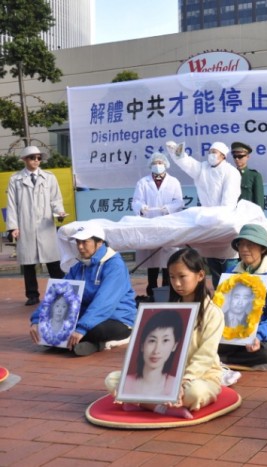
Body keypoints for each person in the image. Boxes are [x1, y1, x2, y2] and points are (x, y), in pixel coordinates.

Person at [105, 248, 224, 419]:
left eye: (182, 277)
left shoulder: (213, 313)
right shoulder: (166, 310)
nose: (176, 283)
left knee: (195, 393)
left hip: (200, 376)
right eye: (172, 277)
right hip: (160, 377)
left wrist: (184, 381)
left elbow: (205, 356)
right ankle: (162, 406)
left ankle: (145, 403)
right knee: (112, 380)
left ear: (200, 275)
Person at [30, 224, 136, 356]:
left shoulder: (115, 265)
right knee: (51, 327)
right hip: (88, 317)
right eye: (78, 242)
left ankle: (98, 343)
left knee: (95, 330)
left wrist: (82, 328)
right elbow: (57, 293)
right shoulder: (79, 265)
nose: (80, 247)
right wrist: (38, 319)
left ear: (99, 243)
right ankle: (80, 343)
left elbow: (104, 302)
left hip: (118, 319)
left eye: (85, 242)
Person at [166, 140, 241, 286]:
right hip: (208, 223)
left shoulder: (231, 172)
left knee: (229, 274)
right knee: (214, 269)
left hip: (224, 222)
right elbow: (187, 163)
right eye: (210, 152)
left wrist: (216, 217)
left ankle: (230, 304)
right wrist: (176, 153)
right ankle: (217, 301)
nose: (211, 155)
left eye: (215, 152)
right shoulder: (203, 168)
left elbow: (229, 202)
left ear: (223, 156)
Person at [218, 224, 267, 367]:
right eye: (241, 245)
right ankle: (225, 355)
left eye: (250, 245)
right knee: (200, 343)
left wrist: (257, 334)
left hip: (265, 335)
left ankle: (223, 357)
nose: (244, 249)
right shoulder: (231, 272)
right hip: (233, 334)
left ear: (262, 248)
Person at [5, 146, 66, 306]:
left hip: (45, 225)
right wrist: (13, 226)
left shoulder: (49, 178)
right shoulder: (15, 179)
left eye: (39, 158)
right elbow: (12, 204)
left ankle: (61, 292)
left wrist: (59, 212)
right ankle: (32, 295)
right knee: (29, 263)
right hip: (26, 225)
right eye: (32, 158)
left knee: (53, 261)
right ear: (25, 159)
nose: (36, 161)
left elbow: (56, 199)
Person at [131, 152, 184, 299]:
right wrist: (142, 208)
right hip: (150, 224)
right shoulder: (143, 182)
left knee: (168, 261)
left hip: (168, 224)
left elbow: (179, 201)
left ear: (166, 165)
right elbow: (136, 201)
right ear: (151, 165)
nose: (158, 165)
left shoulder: (173, 182)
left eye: (160, 163)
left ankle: (168, 290)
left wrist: (169, 208)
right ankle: (152, 291)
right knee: (152, 261)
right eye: (155, 163)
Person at [122, 310, 182, 398]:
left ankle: (142, 404)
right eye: (152, 341)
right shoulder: (126, 382)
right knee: (112, 381)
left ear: (174, 346)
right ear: (142, 345)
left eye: (165, 340)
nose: (156, 350)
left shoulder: (174, 385)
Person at [231, 142, 264, 208]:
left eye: (240, 156)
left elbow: (259, 201)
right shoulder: (229, 174)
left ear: (247, 157)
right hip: (231, 214)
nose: (237, 159)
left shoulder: (254, 176)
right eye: (235, 156)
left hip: (248, 215)